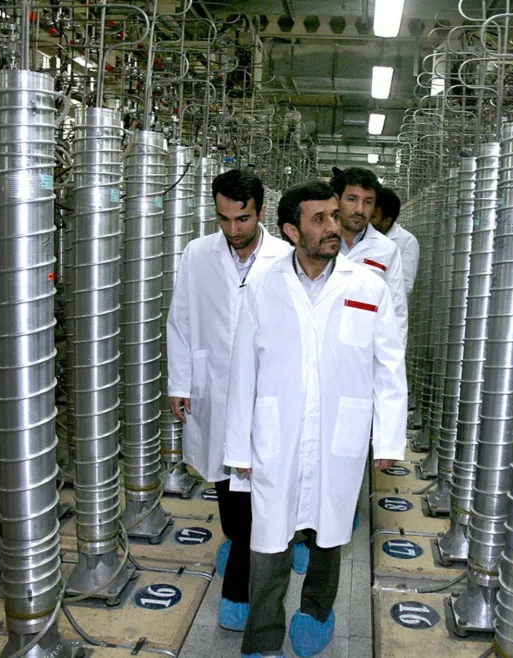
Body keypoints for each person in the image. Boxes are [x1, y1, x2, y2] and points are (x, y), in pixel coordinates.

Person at [224, 181, 407, 658]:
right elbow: (244, 368)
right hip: (276, 430)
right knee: (269, 539)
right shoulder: (263, 285)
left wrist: (388, 437)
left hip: (338, 432)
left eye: (334, 214)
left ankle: (317, 611)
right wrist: (237, 449)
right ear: (291, 230)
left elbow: (389, 365)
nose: (335, 226)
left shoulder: (367, 285)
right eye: (320, 219)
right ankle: (262, 638)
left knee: (330, 532)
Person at [166, 168, 292, 632]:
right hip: (214, 388)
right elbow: (180, 319)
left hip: (267, 393)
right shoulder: (197, 253)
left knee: (257, 493)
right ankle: (240, 542)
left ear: (260, 212)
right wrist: (180, 382)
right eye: (223, 220)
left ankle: (239, 587)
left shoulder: (285, 255)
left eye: (242, 219)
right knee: (225, 480)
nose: (233, 230)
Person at [329, 167, 408, 345]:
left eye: (368, 202)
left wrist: (392, 365)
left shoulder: (386, 250)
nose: (360, 209)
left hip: (364, 349)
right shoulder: (319, 241)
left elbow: (397, 311)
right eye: (352, 199)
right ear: (337, 199)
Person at [371, 187, 419, 299]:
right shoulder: (362, 235)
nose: (368, 220)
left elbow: (405, 286)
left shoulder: (407, 241)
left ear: (387, 221)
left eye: (373, 217)